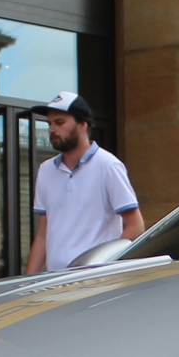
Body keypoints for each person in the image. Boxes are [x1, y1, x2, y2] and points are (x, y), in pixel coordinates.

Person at [25, 92, 143, 272]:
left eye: (60, 122)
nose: (52, 129)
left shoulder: (108, 166)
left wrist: (106, 266)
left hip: (96, 282)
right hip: (55, 282)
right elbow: (43, 234)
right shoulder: (46, 170)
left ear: (82, 125)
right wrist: (27, 283)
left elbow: (135, 226)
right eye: (49, 123)